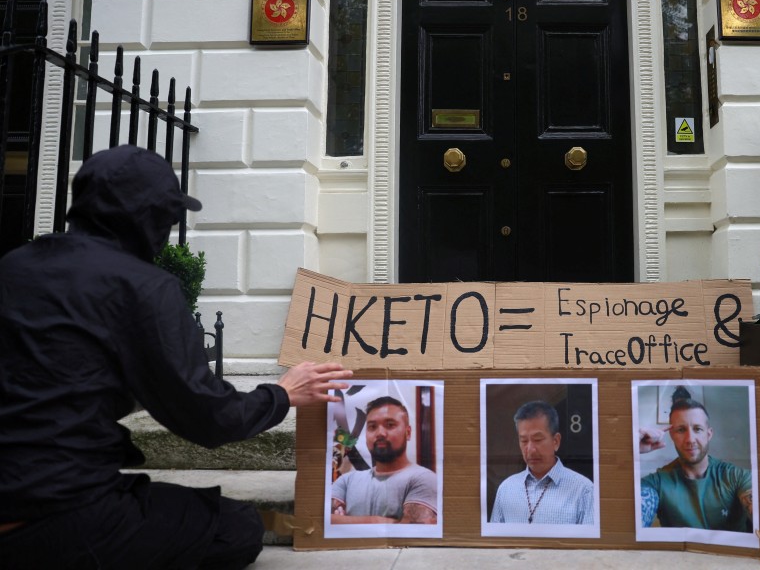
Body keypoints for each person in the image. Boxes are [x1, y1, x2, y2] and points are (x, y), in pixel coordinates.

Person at [0, 144, 353, 569]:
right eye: (169, 218)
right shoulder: (143, 288)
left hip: (29, 488)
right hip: (56, 514)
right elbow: (208, 417)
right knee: (237, 525)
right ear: (150, 219)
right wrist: (282, 394)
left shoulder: (15, 265)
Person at [638, 396, 753, 531]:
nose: (690, 439)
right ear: (672, 435)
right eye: (681, 430)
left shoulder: (736, 477)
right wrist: (631, 449)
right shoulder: (657, 483)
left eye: (697, 429)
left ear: (709, 434)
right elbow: (626, 525)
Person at [329, 395, 438, 524]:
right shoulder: (347, 480)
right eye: (372, 427)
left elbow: (413, 533)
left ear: (408, 433)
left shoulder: (423, 478)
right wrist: (379, 521)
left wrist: (345, 521)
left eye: (390, 425)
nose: (380, 433)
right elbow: (321, 521)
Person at [490, 400, 594, 525]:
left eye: (537, 440)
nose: (531, 450)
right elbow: (495, 543)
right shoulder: (506, 489)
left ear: (556, 441)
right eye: (524, 441)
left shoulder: (584, 490)